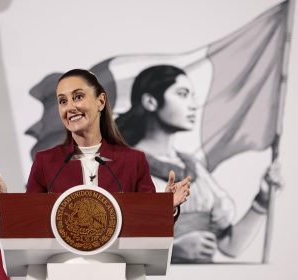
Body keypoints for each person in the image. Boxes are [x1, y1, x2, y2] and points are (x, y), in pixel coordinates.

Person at [115, 65, 283, 263]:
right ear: (151, 101)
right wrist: (172, 250)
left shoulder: (193, 167)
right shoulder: (122, 166)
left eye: (192, 95)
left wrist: (262, 201)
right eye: (182, 94)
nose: (193, 105)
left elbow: (230, 246)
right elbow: (102, 247)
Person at [0, 68, 190, 215]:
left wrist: (167, 207)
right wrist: (4, 202)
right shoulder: (46, 162)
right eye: (62, 101)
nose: (70, 107)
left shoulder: (133, 161)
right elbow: (31, 220)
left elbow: (148, 224)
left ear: (100, 101)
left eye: (78, 97)